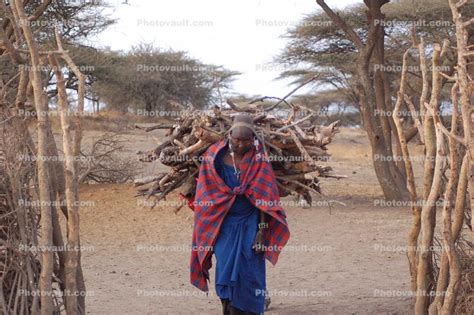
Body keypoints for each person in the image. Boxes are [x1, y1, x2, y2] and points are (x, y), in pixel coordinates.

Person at [190, 114, 290, 314]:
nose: (241, 144)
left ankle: (250, 309)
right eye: (237, 140)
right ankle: (228, 308)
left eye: (246, 140)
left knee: (251, 269)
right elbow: (206, 194)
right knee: (224, 268)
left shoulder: (259, 159)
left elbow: (266, 202)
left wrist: (262, 231)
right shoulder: (213, 157)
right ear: (229, 136)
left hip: (252, 223)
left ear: (253, 138)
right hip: (223, 224)